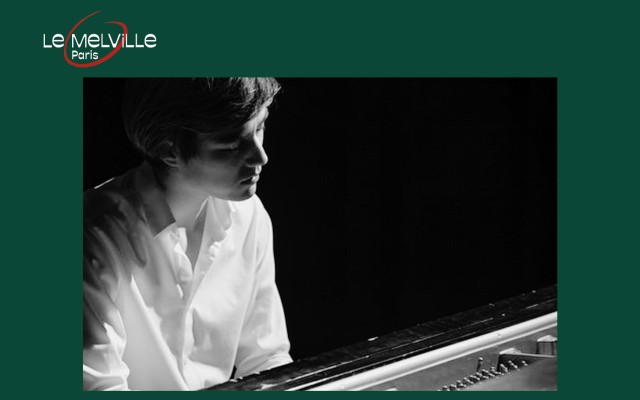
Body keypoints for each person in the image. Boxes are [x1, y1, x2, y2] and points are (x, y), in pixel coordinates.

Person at [83, 78, 292, 390]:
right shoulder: (93, 234)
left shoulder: (249, 215)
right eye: (232, 145)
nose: (260, 157)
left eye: (259, 127)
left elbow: (267, 359)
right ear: (168, 149)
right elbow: (99, 387)